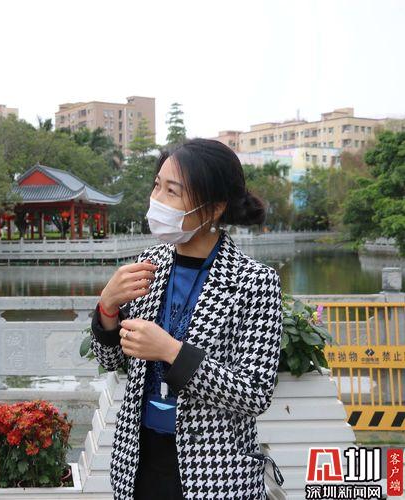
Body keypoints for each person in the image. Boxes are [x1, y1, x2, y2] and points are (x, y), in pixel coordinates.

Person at [91, 138, 284, 499]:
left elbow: (255, 393)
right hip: (140, 462)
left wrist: (171, 351)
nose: (157, 199)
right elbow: (112, 359)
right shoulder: (149, 264)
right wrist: (108, 306)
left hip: (215, 473)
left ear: (213, 208)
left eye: (172, 191)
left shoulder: (254, 281)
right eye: (157, 186)